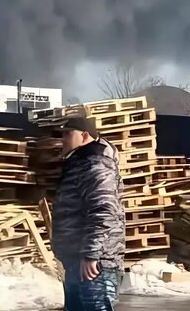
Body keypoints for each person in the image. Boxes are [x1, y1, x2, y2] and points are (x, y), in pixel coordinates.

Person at [51, 116, 125, 311]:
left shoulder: (95, 165)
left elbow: (104, 210)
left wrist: (91, 254)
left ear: (84, 136)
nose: (63, 139)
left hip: (95, 264)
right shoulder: (78, 163)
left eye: (68, 134)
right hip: (77, 259)